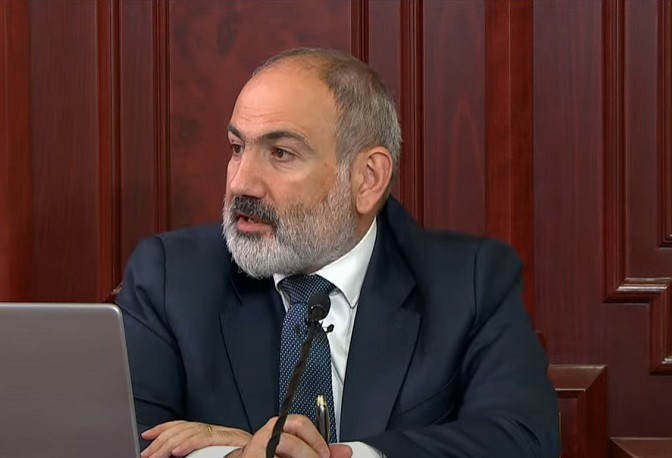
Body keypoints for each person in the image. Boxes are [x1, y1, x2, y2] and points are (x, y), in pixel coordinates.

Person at [117, 47, 560, 458]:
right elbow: (122, 439)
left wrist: (343, 457)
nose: (241, 183)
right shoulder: (171, 276)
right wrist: (238, 455)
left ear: (367, 178)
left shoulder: (470, 282)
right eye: (237, 148)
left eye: (281, 153)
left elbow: (522, 438)